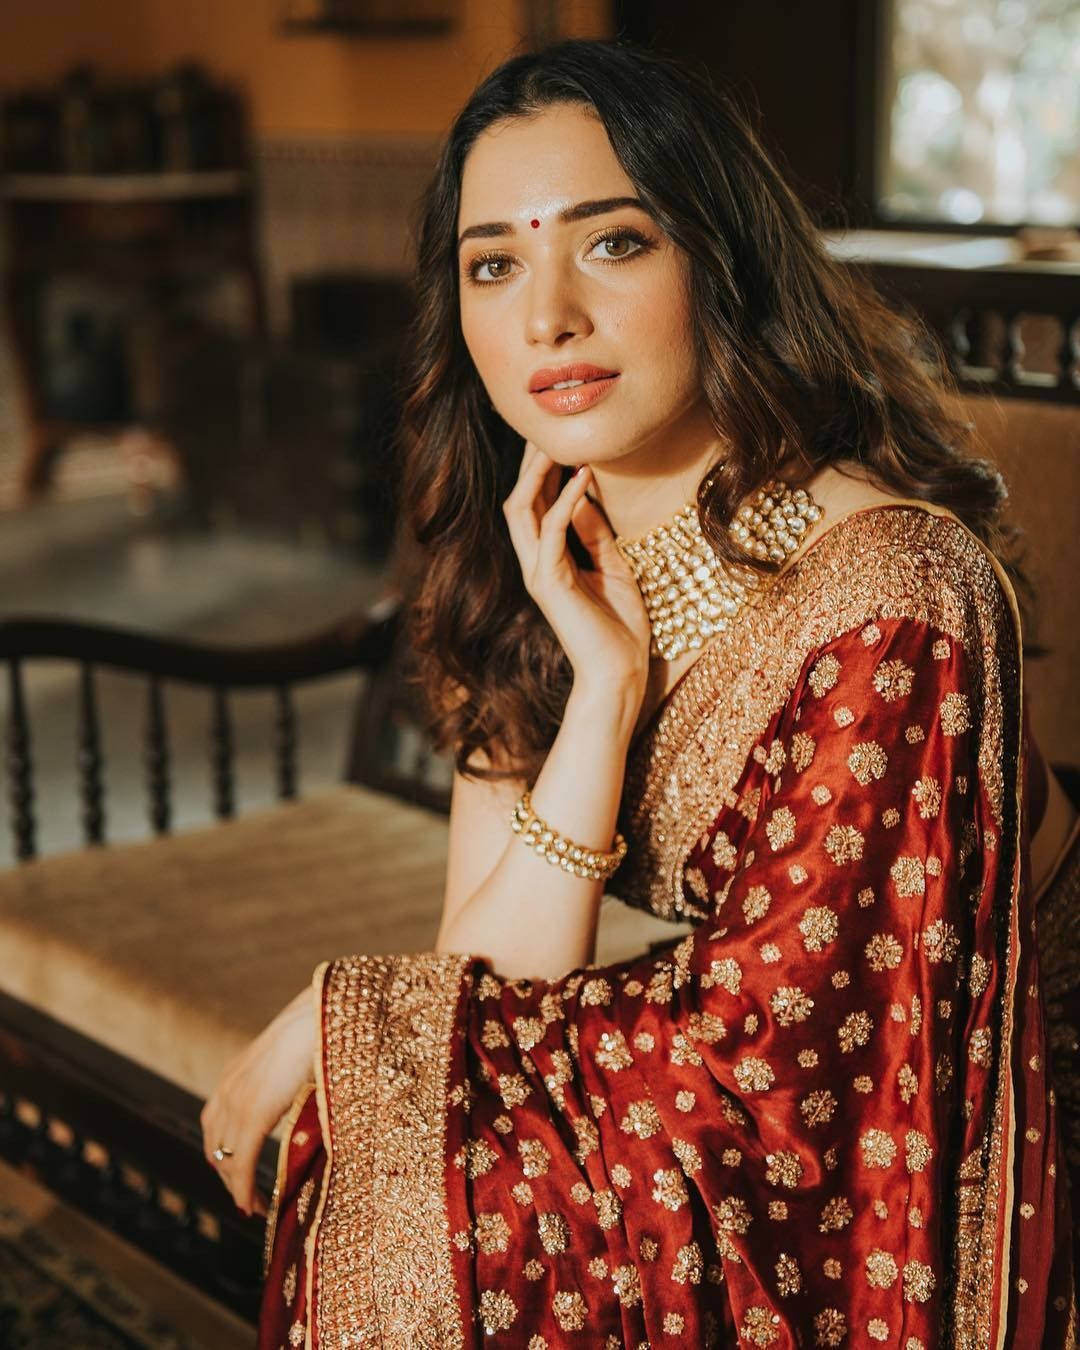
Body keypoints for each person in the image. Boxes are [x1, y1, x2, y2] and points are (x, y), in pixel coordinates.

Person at [201, 37, 1079, 1346]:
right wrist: (602, 697)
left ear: (717, 261)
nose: (546, 314)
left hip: (981, 1109)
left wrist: (335, 1024)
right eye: (494, 262)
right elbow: (495, 960)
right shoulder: (534, 556)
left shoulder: (892, 586)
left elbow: (796, 1070)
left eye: (612, 244)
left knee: (442, 1141)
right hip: (772, 1068)